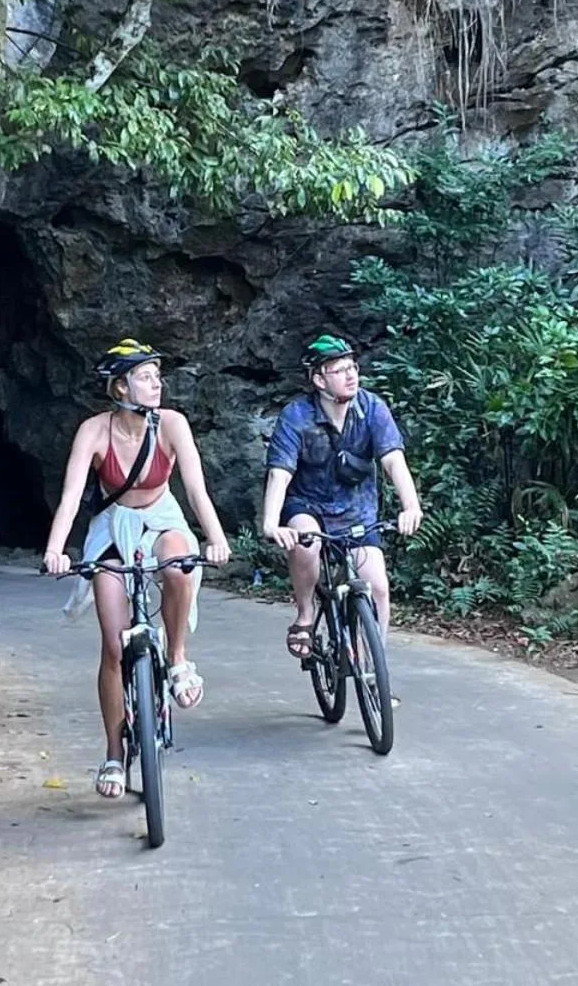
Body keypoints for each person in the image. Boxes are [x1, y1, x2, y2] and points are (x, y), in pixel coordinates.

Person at [43, 340, 231, 799]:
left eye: (156, 376)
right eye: (146, 377)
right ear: (121, 386)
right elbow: (71, 498)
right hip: (112, 527)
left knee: (179, 563)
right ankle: (113, 752)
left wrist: (217, 538)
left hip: (161, 515)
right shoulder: (94, 431)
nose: (156, 384)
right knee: (113, 644)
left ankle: (179, 659)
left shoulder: (172, 424)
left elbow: (196, 489)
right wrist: (56, 550)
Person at [261, 333, 423, 663]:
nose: (351, 375)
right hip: (308, 505)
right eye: (339, 370)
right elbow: (281, 472)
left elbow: (393, 459)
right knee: (307, 542)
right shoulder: (296, 416)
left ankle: (373, 673)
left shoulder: (371, 407)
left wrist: (411, 505)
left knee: (377, 587)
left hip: (357, 511)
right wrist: (270, 522)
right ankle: (305, 615)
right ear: (318, 379)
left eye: (353, 367)